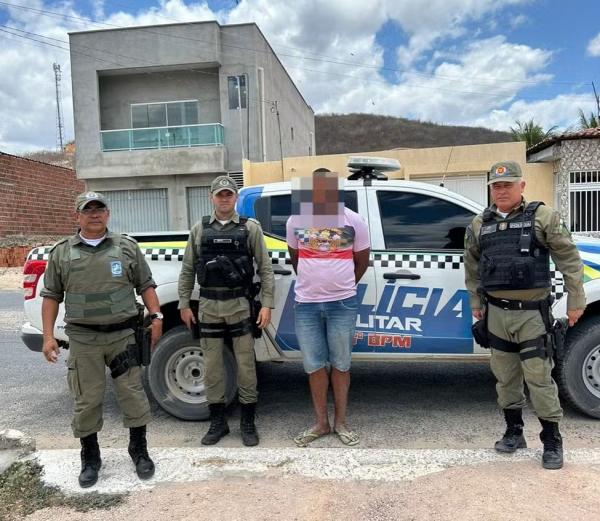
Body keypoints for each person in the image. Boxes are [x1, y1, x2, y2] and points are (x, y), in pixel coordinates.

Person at [464, 161, 586, 470]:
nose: (502, 190)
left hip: (532, 315)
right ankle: (514, 432)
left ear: (522, 186)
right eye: (496, 185)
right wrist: (476, 302)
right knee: (505, 379)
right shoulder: (480, 224)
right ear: (490, 188)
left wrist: (576, 299)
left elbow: (569, 259)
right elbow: (472, 267)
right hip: (497, 315)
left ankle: (552, 441)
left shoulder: (543, 216)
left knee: (539, 378)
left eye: (508, 184)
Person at [41, 191, 163, 487]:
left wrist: (157, 316)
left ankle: (139, 450)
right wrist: (47, 337)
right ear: (77, 216)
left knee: (132, 394)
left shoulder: (126, 248)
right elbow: (51, 297)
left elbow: (145, 285)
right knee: (87, 399)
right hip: (84, 339)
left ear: (107, 214)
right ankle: (90, 458)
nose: (94, 214)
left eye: (100, 209)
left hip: (123, 335)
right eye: (88, 210)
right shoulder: (62, 252)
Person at [178, 175, 275, 446]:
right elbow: (188, 269)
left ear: (235, 198)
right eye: (219, 194)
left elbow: (265, 268)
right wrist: (184, 303)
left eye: (229, 194)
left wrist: (266, 303)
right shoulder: (199, 229)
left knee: (245, 365)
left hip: (240, 306)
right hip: (208, 306)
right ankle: (218, 423)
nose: (224, 198)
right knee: (211, 367)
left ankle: (247, 423)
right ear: (212, 197)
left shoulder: (250, 229)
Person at [286, 169, 370, 447]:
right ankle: (321, 423)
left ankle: (341, 422)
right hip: (306, 305)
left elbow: (361, 261)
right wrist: (316, 283)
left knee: (341, 364)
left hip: (342, 304)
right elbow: (296, 260)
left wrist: (341, 286)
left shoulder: (354, 221)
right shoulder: (296, 220)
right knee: (314, 366)